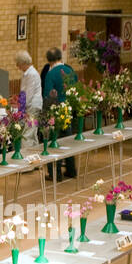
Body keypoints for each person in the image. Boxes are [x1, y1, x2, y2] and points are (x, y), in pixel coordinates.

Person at [42, 47, 77, 179]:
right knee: (68, 142)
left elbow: (48, 94)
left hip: (55, 112)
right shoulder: (69, 69)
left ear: (49, 61)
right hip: (68, 110)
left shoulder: (50, 74)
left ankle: (55, 174)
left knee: (53, 141)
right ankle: (71, 170)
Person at [16, 50, 43, 142]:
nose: (17, 66)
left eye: (18, 63)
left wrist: (21, 109)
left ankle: (27, 154)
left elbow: (29, 94)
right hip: (29, 107)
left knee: (27, 135)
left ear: (23, 63)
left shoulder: (32, 74)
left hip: (32, 108)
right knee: (32, 133)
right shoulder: (26, 74)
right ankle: (35, 152)